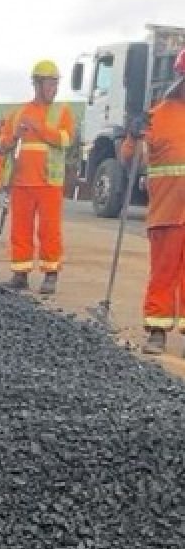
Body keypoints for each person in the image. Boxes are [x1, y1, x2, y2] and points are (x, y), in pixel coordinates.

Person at [121, 48, 185, 355]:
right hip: (166, 211)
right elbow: (128, 158)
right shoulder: (156, 115)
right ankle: (157, 331)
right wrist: (133, 135)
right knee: (163, 272)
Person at [0, 60, 76, 294]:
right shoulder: (18, 112)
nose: (54, 88)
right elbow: (2, 144)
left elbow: (64, 140)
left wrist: (38, 127)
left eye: (56, 84)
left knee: (50, 230)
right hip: (20, 181)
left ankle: (51, 274)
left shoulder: (62, 112)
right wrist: (14, 137)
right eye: (50, 84)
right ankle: (20, 273)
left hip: (49, 182)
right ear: (37, 84)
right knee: (20, 229)